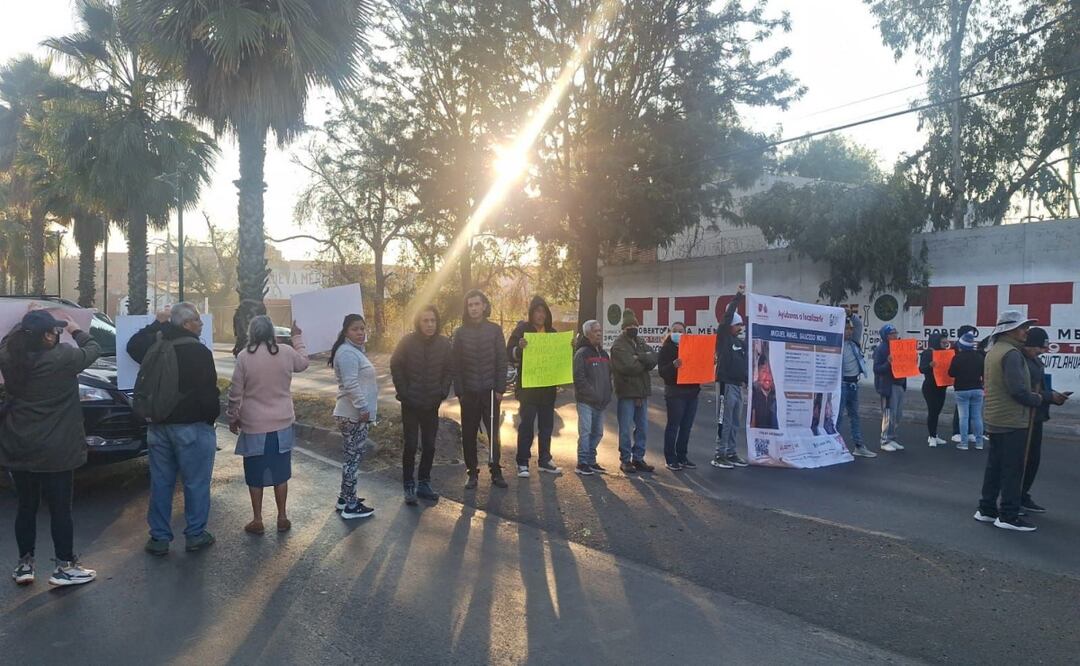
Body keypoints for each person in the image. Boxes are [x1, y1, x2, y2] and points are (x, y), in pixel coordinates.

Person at [1, 310, 99, 586]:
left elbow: (6, 342)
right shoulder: (62, 358)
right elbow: (94, 348)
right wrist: (75, 328)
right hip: (57, 450)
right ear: (47, 335)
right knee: (59, 509)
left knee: (26, 506)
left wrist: (24, 323)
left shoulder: (10, 358)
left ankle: (24, 565)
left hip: (19, 445)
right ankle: (65, 566)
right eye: (54, 331)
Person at [128, 303, 219, 555]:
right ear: (187, 324)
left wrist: (158, 322)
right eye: (198, 321)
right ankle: (195, 534)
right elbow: (208, 394)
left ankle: (158, 538)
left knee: (161, 483)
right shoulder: (198, 351)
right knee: (195, 483)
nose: (201, 325)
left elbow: (132, 345)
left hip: (158, 426)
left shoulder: (156, 344)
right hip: (191, 426)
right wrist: (211, 419)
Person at [973, 310, 1061, 532]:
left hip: (996, 417)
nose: (1026, 332)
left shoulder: (994, 350)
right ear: (1010, 330)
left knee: (995, 466)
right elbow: (1019, 391)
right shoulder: (1012, 354)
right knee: (1013, 469)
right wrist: (1046, 397)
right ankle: (1008, 515)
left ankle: (986, 509)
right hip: (1012, 420)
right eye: (1023, 328)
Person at [227, 315, 309, 534]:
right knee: (280, 472)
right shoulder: (286, 352)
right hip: (282, 423)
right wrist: (297, 337)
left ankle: (257, 519)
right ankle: (282, 517)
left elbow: (235, 393)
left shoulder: (244, 356)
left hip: (253, 425)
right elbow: (304, 362)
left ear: (251, 332)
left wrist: (233, 416)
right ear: (272, 331)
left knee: (255, 474)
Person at [390, 305, 453, 505]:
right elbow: (395, 364)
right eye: (425, 320)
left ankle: (424, 483)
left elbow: (449, 370)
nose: (429, 324)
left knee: (429, 445)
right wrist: (404, 391)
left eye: (433, 320)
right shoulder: (407, 342)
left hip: (431, 403)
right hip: (410, 403)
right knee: (410, 445)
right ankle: (408, 484)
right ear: (419, 322)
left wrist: (442, 391)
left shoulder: (444, 344)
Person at [453, 289, 509, 489]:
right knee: (468, 435)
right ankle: (472, 473)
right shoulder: (459, 333)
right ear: (467, 309)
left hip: (490, 391)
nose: (474, 308)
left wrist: (500, 389)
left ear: (484, 306)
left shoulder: (495, 330)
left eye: (477, 304)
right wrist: (459, 392)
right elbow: (456, 365)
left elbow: (502, 361)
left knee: (494, 434)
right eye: (470, 305)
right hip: (468, 393)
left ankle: (495, 471)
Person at [330, 314, 377, 519]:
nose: (360, 333)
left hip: (352, 414)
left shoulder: (352, 351)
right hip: (353, 414)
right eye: (355, 329)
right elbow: (350, 384)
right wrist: (363, 407)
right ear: (346, 331)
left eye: (362, 329)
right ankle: (350, 506)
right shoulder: (348, 353)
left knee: (351, 457)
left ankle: (344, 498)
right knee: (353, 460)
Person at [508, 296, 561, 478]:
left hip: (547, 387)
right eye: (537, 311)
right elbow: (510, 351)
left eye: (544, 311)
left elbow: (559, 359)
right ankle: (522, 462)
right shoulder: (522, 330)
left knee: (547, 426)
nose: (541, 315)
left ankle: (545, 460)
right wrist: (519, 349)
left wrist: (569, 348)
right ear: (532, 313)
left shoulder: (552, 333)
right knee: (527, 425)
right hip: (529, 387)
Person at [1019, 327, 1069, 514]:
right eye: (1040, 347)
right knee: (1020, 462)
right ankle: (1013, 499)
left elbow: (1040, 387)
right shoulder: (1021, 361)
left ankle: (1023, 495)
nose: (1043, 351)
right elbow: (1023, 391)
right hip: (1024, 417)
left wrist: (1054, 396)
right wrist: (1049, 397)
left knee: (1033, 460)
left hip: (1037, 415)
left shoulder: (1035, 361)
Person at [610, 310, 657, 474]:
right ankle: (625, 460)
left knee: (642, 427)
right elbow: (628, 366)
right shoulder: (618, 345)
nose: (632, 328)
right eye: (629, 326)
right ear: (623, 328)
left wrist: (639, 356)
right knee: (625, 428)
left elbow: (654, 358)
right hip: (627, 392)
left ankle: (638, 458)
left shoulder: (640, 341)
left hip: (642, 392)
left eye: (634, 325)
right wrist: (644, 360)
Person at [712, 285, 748, 469]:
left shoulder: (741, 343)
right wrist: (738, 296)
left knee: (735, 421)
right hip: (725, 385)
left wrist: (747, 382)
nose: (740, 327)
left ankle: (732, 452)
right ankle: (720, 454)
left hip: (737, 386)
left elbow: (745, 365)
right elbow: (727, 317)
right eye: (737, 324)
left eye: (741, 325)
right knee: (723, 420)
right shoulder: (724, 339)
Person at [657, 322, 699, 471]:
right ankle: (670, 458)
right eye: (675, 331)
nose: (678, 333)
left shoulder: (693, 349)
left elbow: (698, 367)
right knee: (673, 426)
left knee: (686, 427)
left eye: (681, 331)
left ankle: (682, 456)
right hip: (675, 393)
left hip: (692, 392)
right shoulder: (666, 349)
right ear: (670, 332)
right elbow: (662, 371)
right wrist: (673, 365)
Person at [573, 320, 612, 476]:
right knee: (586, 431)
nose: (599, 333)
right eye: (596, 331)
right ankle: (582, 463)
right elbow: (579, 378)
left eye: (600, 330)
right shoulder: (582, 353)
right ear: (587, 333)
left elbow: (609, 376)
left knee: (598, 433)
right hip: (586, 402)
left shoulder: (604, 354)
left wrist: (608, 393)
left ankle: (591, 461)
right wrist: (593, 394)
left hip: (601, 403)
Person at [837, 314, 876, 457]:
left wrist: (850, 314)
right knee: (838, 417)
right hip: (841, 385)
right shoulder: (836, 345)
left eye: (850, 329)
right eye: (846, 329)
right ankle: (835, 446)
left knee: (855, 416)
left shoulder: (854, 343)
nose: (849, 331)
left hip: (854, 385)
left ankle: (859, 446)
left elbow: (859, 324)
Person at [948, 331, 985, 451]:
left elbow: (951, 373)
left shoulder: (957, 358)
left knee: (963, 417)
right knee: (977, 416)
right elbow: (983, 373)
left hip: (962, 389)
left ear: (961, 346)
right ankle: (979, 443)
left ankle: (964, 443)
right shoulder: (979, 357)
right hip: (977, 388)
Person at [873, 324, 906, 452]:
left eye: (895, 333)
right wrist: (888, 362)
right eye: (891, 333)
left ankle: (891, 437)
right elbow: (876, 369)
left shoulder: (898, 347)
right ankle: (884, 439)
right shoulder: (881, 349)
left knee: (898, 414)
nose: (894, 335)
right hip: (888, 385)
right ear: (885, 336)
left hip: (899, 384)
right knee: (889, 413)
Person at [919, 332, 949, 448]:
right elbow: (921, 369)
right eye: (942, 342)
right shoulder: (927, 353)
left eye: (946, 342)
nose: (945, 344)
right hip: (930, 387)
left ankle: (935, 434)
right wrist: (930, 365)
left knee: (937, 411)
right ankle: (931, 436)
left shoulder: (945, 353)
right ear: (936, 341)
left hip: (942, 386)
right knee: (932, 411)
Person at [750, 354, 778, 430]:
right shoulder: (753, 392)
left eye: (771, 372)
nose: (768, 376)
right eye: (764, 371)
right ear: (758, 372)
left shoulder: (778, 395)